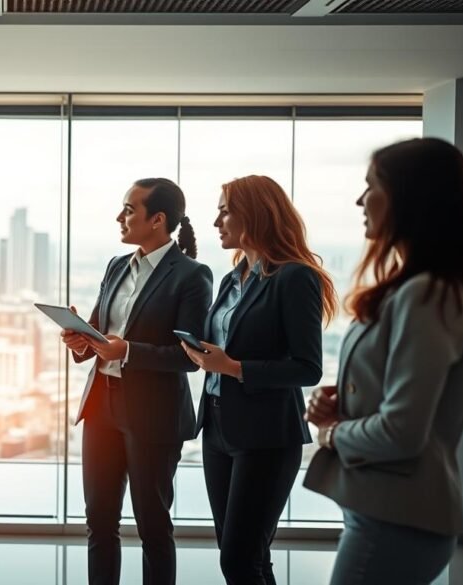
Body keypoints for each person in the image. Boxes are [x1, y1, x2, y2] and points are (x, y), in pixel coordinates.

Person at [304, 137, 463, 585]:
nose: (359, 199)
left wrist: (332, 433)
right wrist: (340, 405)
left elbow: (401, 432)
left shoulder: (427, 294)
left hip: (396, 518)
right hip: (386, 512)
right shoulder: (422, 289)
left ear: (409, 197)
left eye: (371, 186)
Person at [180, 175, 338, 585]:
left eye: (225, 210)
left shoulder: (294, 277)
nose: (216, 221)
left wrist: (232, 367)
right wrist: (201, 352)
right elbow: (226, 345)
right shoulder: (233, 277)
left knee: (238, 559)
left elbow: (307, 367)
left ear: (255, 214)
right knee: (247, 556)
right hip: (217, 429)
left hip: (266, 436)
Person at [63, 178, 212, 585]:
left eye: (129, 209)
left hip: (153, 415)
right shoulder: (117, 265)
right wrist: (80, 340)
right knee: (99, 522)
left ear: (158, 219)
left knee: (153, 528)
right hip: (101, 408)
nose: (120, 217)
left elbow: (190, 357)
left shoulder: (192, 276)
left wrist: (127, 351)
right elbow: (99, 334)